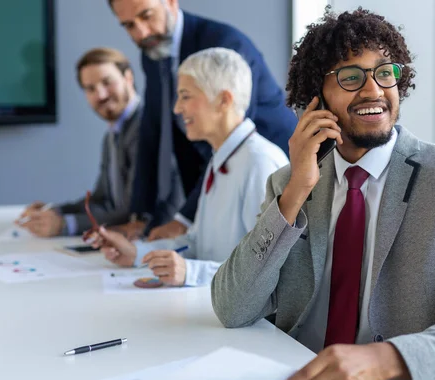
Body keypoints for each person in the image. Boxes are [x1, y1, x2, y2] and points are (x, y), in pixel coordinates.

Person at [211, 8, 435, 380]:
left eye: (385, 72)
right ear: (316, 97)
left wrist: (386, 359)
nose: (374, 90)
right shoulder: (290, 183)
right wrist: (294, 194)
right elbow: (232, 307)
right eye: (351, 77)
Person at [91, 47, 288, 287]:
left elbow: (266, 267)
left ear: (223, 100)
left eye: (185, 96)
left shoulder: (260, 162)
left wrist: (191, 273)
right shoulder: (221, 158)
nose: (176, 109)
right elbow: (197, 244)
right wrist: (137, 253)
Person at [106, 0, 297, 241]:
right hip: (213, 168)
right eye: (129, 25)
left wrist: (183, 219)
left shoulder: (224, 46)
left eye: (147, 16)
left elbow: (232, 136)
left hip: (272, 167)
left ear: (171, 3)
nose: (141, 32)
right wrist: (139, 218)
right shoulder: (152, 53)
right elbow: (151, 132)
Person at [17, 47, 141, 237]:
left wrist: (64, 224)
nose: (100, 95)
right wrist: (53, 211)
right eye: (90, 88)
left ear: (128, 77)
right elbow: (102, 201)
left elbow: (132, 211)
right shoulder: (112, 135)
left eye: (107, 82)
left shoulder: (146, 129)